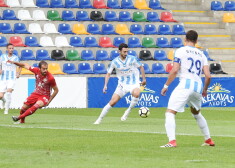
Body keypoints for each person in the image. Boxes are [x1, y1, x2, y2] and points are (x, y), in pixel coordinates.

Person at [160, 30, 215, 148]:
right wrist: (205, 89)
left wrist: (166, 86)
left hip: (185, 84)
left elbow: (174, 70)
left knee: (170, 112)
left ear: (185, 39)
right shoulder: (202, 54)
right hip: (198, 86)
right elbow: (208, 76)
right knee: (196, 112)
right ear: (196, 41)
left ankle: (172, 141)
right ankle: (208, 139)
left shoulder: (180, 50)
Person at [94, 43, 146, 124]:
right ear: (119, 51)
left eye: (127, 52)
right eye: (124, 52)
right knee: (113, 102)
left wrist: (144, 79)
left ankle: (128, 111)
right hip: (122, 84)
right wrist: (105, 85)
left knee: (136, 93)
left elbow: (141, 67)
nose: (126, 53)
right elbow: (108, 74)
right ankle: (99, 119)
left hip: (134, 83)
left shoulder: (132, 59)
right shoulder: (114, 62)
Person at [0, 43, 22, 114]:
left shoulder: (16, 58)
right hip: (3, 78)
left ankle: (6, 110)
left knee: (8, 93)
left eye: (12, 48)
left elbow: (20, 66)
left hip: (12, 78)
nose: (11, 49)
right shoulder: (2, 57)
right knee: (1, 96)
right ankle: (4, 101)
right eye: (10, 48)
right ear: (7, 49)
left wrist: (18, 73)